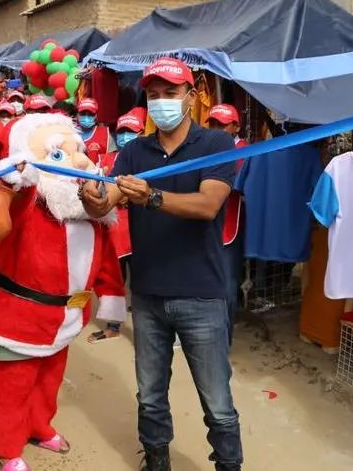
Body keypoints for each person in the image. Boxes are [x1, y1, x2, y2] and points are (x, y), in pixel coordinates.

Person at [80, 58, 243, 471]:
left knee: (217, 402)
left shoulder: (216, 146)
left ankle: (228, 464)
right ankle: (156, 460)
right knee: (150, 396)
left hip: (201, 294)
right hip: (148, 295)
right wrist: (88, 194)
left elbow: (208, 205)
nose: (161, 102)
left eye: (170, 93)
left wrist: (152, 197)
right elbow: (105, 207)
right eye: (153, 96)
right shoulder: (134, 151)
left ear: (190, 97)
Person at [0, 113, 126, 471]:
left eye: (78, 150)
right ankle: (5, 445)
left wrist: (111, 297)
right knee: (9, 384)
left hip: (65, 315)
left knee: (48, 378)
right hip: (15, 316)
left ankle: (38, 425)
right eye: (58, 154)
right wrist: (9, 182)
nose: (80, 160)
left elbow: (106, 256)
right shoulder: (26, 198)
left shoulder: (87, 205)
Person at [87, 107, 145, 344]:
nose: (124, 136)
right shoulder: (103, 160)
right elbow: (92, 187)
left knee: (143, 281)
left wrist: (126, 195)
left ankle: (150, 331)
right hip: (113, 231)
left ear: (141, 132)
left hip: (141, 230)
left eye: (130, 131)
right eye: (121, 131)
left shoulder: (149, 160)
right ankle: (113, 326)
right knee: (112, 278)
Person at [207, 103, 248, 339]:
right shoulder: (206, 147)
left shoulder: (244, 151)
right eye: (213, 124)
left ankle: (223, 335)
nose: (217, 129)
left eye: (222, 125)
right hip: (204, 223)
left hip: (229, 225)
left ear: (235, 127)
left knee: (227, 283)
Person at [75, 98, 115, 164]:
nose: (86, 117)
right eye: (83, 113)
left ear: (96, 115)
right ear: (77, 114)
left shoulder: (106, 134)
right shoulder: (71, 132)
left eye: (90, 114)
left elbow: (111, 159)